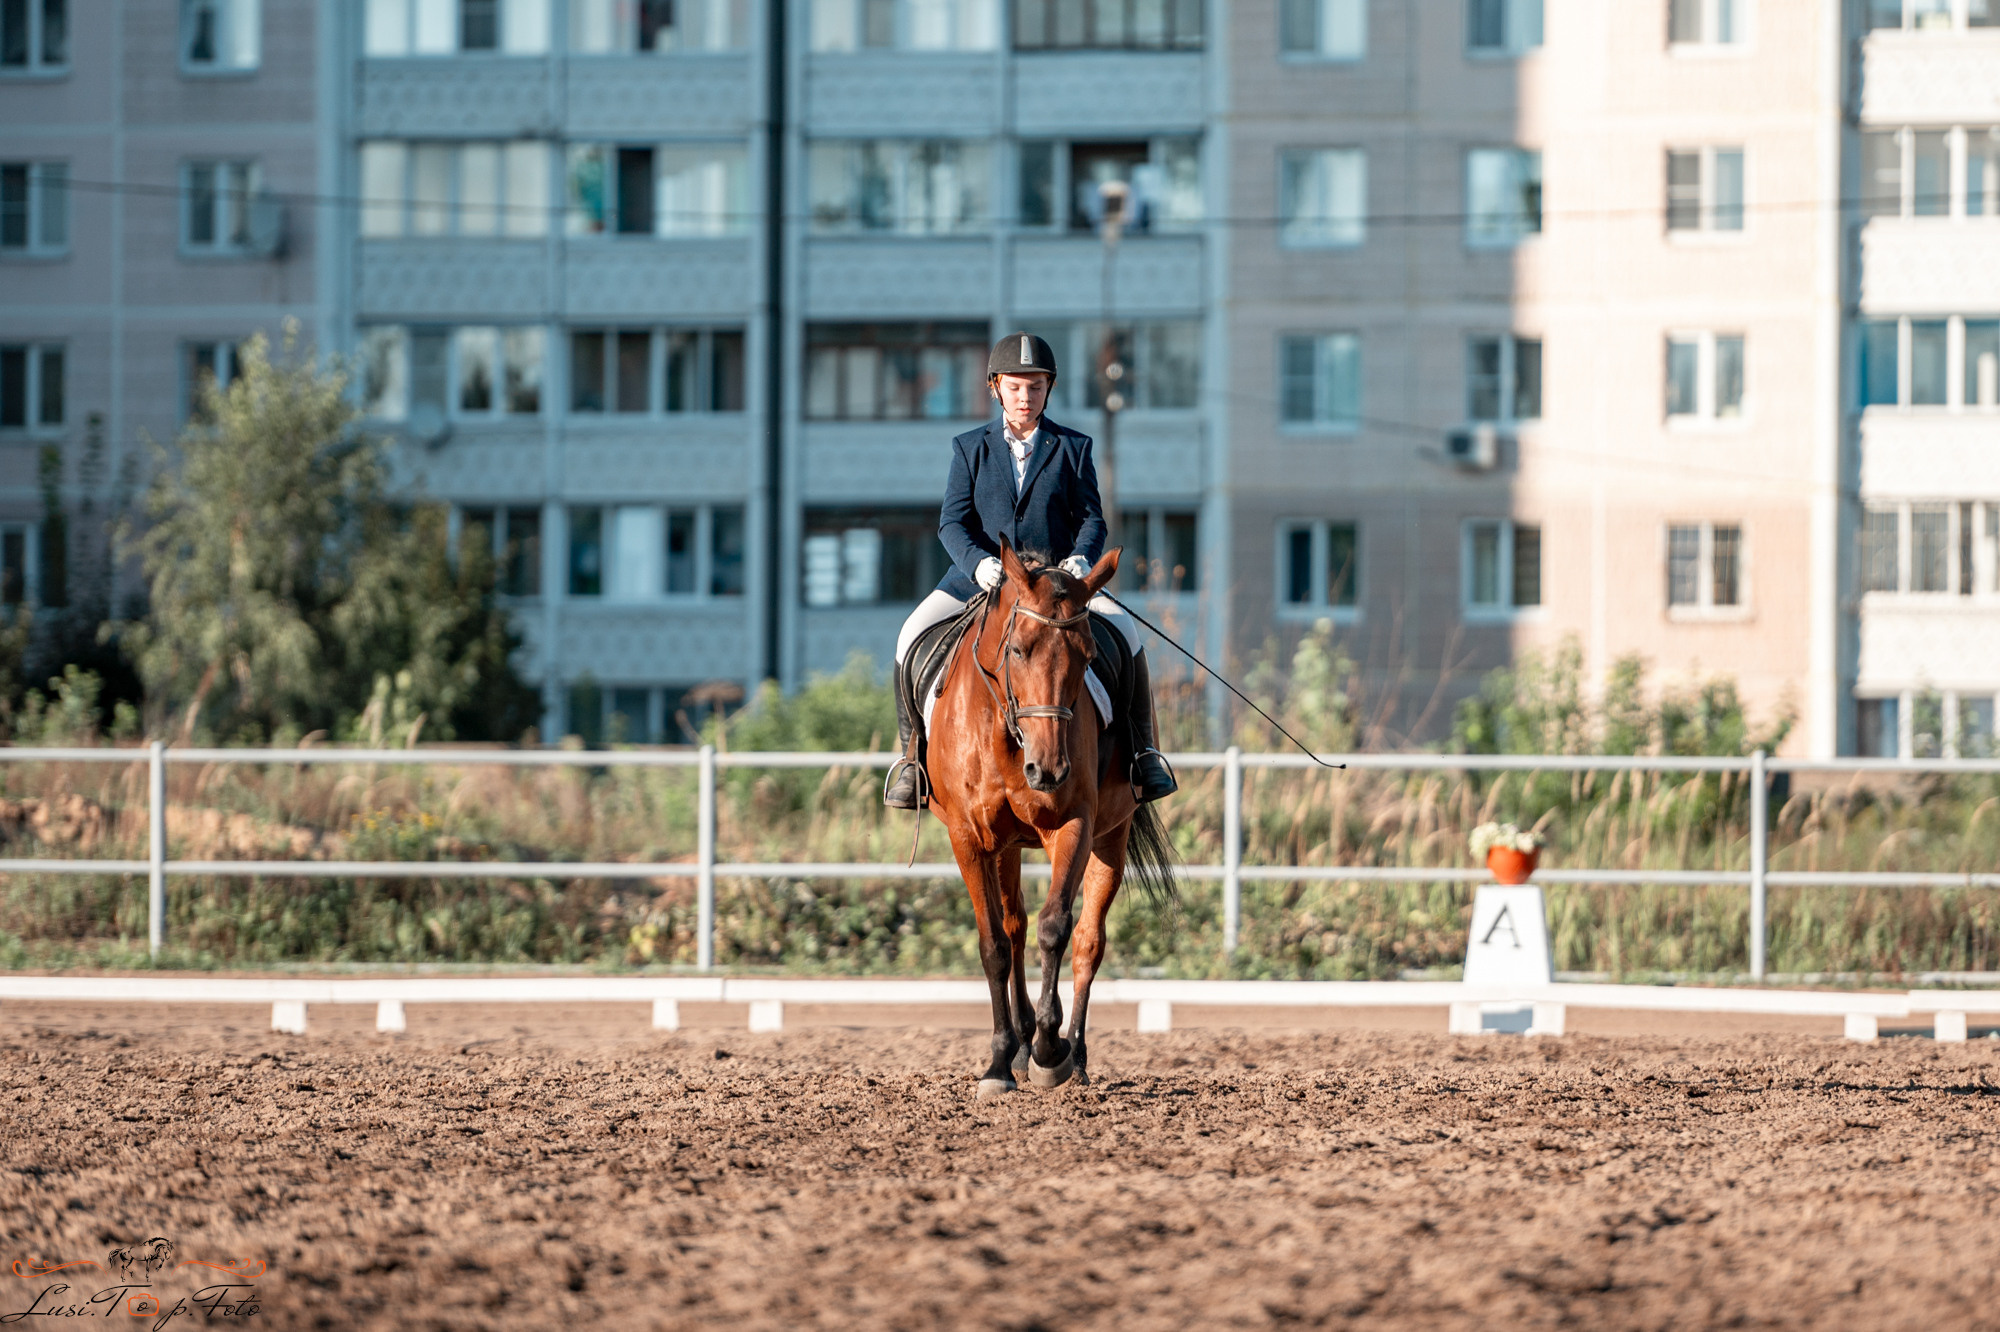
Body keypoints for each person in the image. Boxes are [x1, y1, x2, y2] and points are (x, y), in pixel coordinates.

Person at [884, 331, 1179, 809]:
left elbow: (1091, 518)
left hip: (1057, 584)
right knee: (909, 633)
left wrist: (1081, 558)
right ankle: (912, 761)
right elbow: (951, 522)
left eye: (1036, 387)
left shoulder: (1072, 447)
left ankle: (1143, 753)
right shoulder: (969, 448)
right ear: (995, 387)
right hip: (981, 580)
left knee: (1126, 632)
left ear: (1049, 389)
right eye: (1016, 387)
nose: (1026, 397)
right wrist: (979, 564)